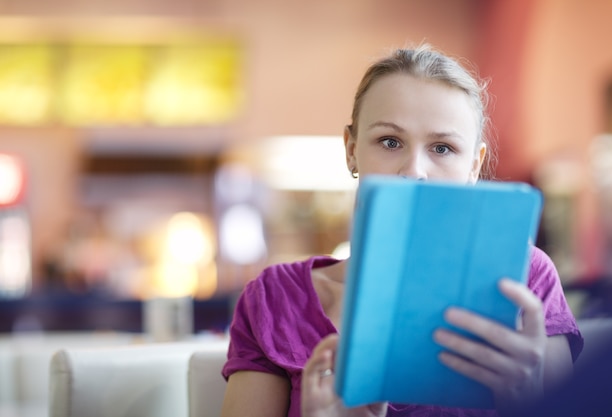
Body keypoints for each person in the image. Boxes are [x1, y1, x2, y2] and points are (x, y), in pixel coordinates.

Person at [220, 44, 583, 417]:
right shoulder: (274, 298)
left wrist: (527, 402)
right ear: (351, 150)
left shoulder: (526, 276)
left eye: (442, 148)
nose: (414, 171)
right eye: (390, 142)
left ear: (474, 167)